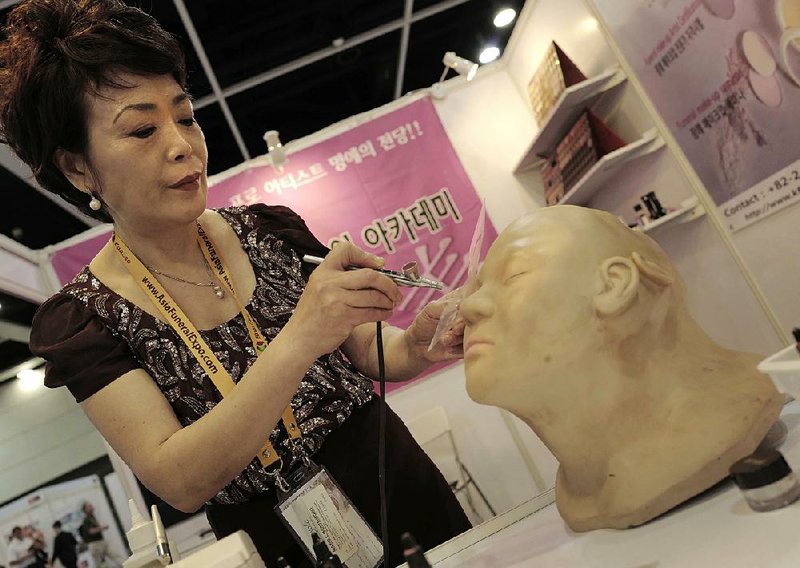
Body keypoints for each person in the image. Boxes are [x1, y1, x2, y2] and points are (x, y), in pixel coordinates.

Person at [0, 1, 469, 566]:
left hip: (399, 481)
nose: (182, 145)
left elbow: (364, 352)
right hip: (279, 543)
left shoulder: (271, 230)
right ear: (78, 168)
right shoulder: (84, 322)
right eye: (143, 129)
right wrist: (298, 337)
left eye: (186, 116)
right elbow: (180, 478)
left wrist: (412, 347)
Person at [459, 205, 783, 532]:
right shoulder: (585, 492)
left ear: (615, 285)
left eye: (514, 275)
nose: (467, 306)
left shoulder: (727, 414)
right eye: (478, 289)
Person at [78, 503, 121, 568]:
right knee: (98, 564)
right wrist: (102, 528)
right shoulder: (86, 520)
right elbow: (91, 531)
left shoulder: (92, 518)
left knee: (115, 556)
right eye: (89, 506)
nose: (91, 506)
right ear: (85, 510)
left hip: (101, 542)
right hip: (95, 544)